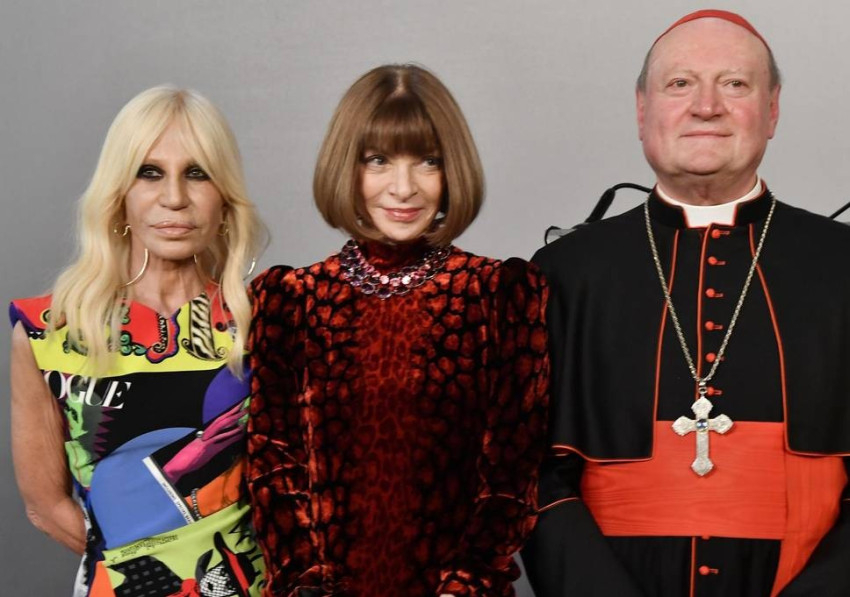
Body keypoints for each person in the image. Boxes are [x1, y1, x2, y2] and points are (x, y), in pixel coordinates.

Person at [523, 10, 850, 597]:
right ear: (641, 110)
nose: (706, 106)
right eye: (680, 84)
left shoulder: (843, 263)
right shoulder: (562, 273)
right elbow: (529, 477)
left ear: (772, 110)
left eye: (735, 84)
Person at [247, 64, 549, 596]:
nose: (403, 188)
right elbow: (273, 464)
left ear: (452, 171)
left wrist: (465, 586)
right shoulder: (291, 298)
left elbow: (512, 473)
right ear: (347, 166)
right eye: (378, 160)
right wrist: (306, 585)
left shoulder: (498, 294)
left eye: (428, 161)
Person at [9, 86, 267, 596]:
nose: (174, 197)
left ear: (224, 198)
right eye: (150, 172)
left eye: (197, 173)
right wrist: (138, 572)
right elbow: (45, 506)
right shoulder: (48, 330)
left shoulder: (264, 322)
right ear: (119, 193)